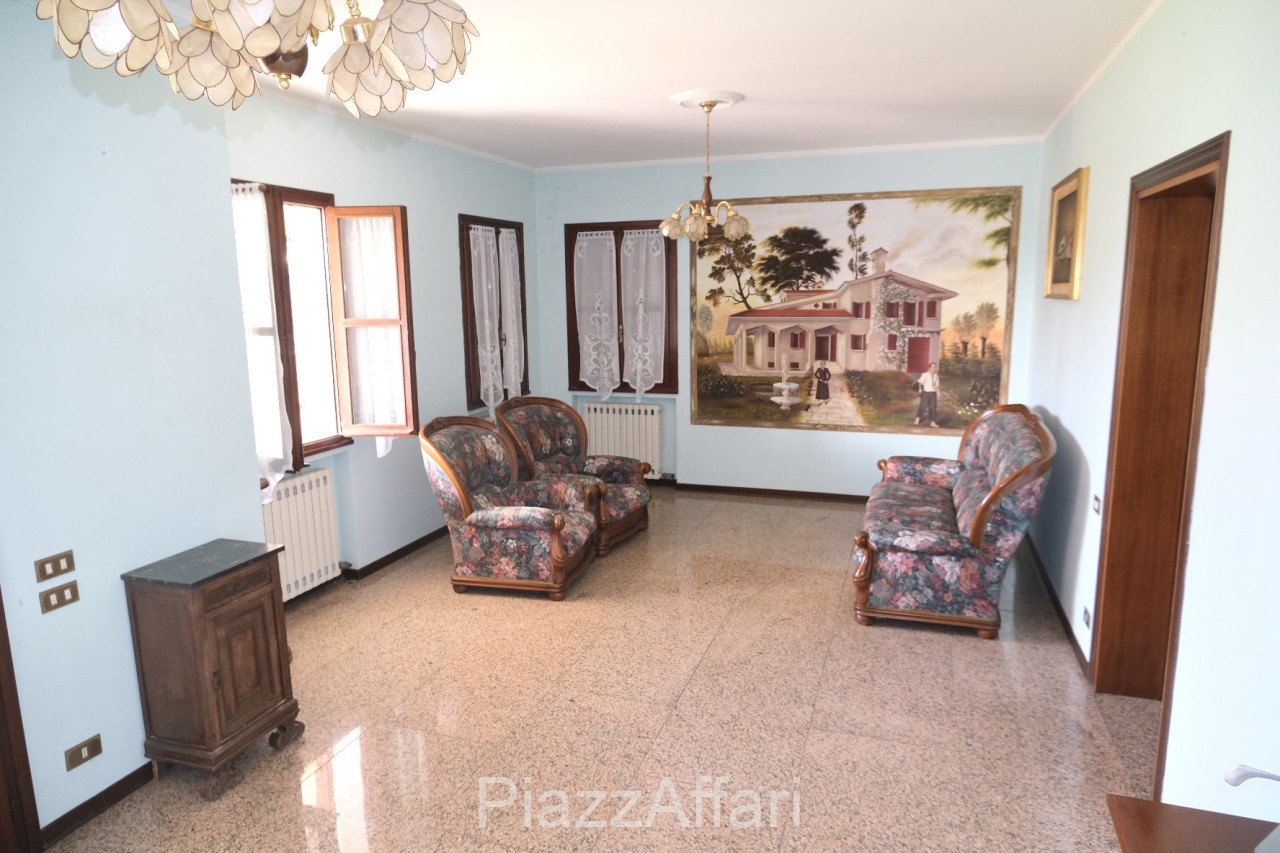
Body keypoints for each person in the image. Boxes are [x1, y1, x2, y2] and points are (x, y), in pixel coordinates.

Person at [914, 362, 940, 427]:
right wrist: (920, 389)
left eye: (935, 367)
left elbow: (937, 385)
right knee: (923, 406)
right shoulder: (925, 374)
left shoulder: (936, 376)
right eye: (933, 367)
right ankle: (917, 418)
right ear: (929, 368)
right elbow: (920, 382)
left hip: (933, 393)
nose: (934, 368)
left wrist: (938, 392)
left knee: (933, 408)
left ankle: (932, 422)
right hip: (926, 393)